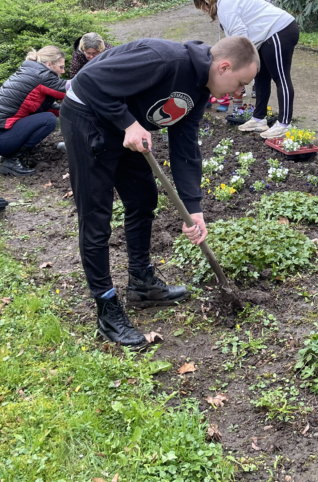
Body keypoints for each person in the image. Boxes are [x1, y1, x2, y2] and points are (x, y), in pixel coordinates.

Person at [61, 36, 259, 348]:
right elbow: (86, 81)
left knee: (142, 199)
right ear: (224, 67)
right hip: (89, 117)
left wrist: (194, 209)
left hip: (127, 126)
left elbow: (185, 149)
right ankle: (106, 306)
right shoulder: (164, 60)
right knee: (96, 216)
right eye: (241, 83)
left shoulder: (198, 89)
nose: (239, 93)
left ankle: (141, 283)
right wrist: (127, 123)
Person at [193, 0, 298, 139]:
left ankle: (284, 124)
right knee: (261, 77)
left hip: (279, 29)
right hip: (264, 36)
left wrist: (236, 67)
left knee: (280, 77)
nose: (206, 11)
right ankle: (258, 118)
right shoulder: (227, 4)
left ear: (207, 1)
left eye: (204, 7)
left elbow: (239, 37)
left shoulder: (226, 5)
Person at [0, 46, 69, 176]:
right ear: (49, 64)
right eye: (61, 67)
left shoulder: (31, 71)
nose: (63, 71)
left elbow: (45, 107)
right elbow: (71, 90)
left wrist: (68, 111)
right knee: (48, 120)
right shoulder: (43, 76)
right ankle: (13, 160)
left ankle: (10, 153)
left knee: (47, 116)